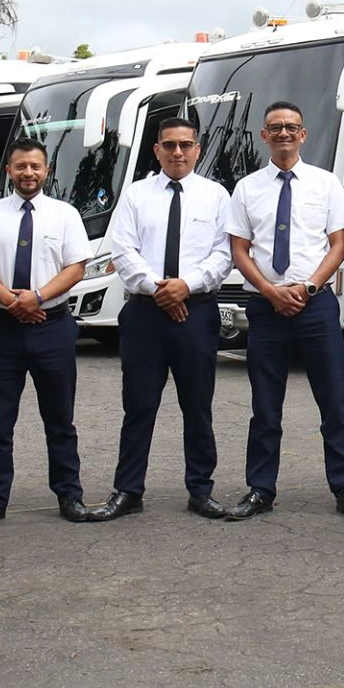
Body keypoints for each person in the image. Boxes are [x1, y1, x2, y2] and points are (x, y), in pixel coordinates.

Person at [224, 101, 344, 521]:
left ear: (303, 134)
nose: (284, 133)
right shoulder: (247, 188)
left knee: (334, 402)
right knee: (265, 407)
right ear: (264, 135)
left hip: (314, 305)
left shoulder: (326, 184)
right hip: (266, 306)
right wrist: (270, 291)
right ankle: (260, 489)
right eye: (275, 127)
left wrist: (308, 287)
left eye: (291, 126)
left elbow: (338, 245)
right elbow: (239, 249)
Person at [90, 115, 234, 521]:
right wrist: (161, 290)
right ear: (156, 150)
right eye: (169, 145)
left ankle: (200, 490)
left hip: (196, 312)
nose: (177, 152)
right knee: (139, 406)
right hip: (145, 315)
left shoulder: (216, 196)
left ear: (197, 149)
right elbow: (123, 251)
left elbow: (224, 254)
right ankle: (128, 490)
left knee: (198, 406)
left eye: (185, 145)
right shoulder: (136, 195)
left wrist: (185, 286)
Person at [0, 136, 94, 526]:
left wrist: (36, 298)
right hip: (1, 327)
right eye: (21, 166)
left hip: (52, 327)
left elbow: (76, 267)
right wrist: (12, 301)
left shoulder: (64, 214)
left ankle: (69, 495)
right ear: (9, 171)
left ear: (47, 170)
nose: (28, 173)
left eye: (35, 166)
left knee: (60, 420)